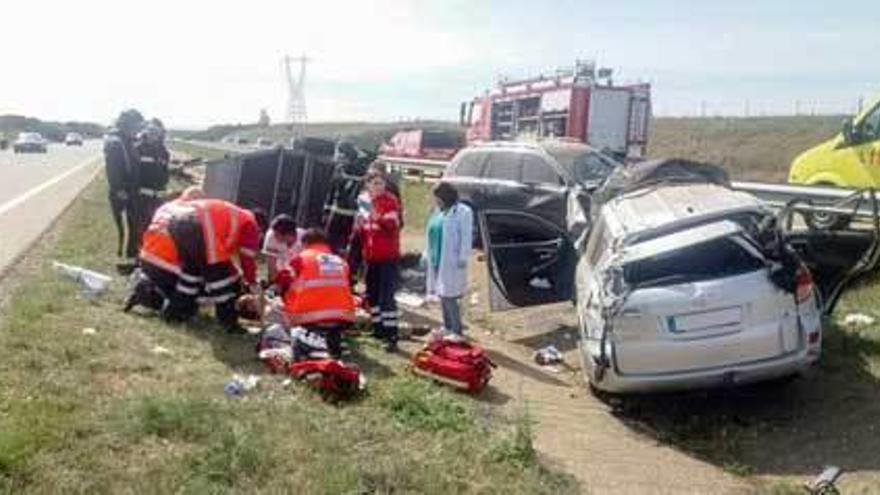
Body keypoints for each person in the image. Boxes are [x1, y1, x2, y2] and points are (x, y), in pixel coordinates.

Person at [282, 228, 356, 358]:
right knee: (331, 342)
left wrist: (288, 313)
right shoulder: (341, 261)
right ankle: (333, 345)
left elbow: (286, 284)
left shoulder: (300, 259)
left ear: (305, 243)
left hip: (310, 317)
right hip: (341, 317)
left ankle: (313, 346)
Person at [357, 169, 402, 352]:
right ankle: (378, 328)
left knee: (386, 296)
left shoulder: (390, 201)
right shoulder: (363, 200)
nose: (378, 187)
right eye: (374, 183)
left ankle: (391, 334)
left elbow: (392, 226)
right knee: (372, 293)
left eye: (381, 183)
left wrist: (379, 218)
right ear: (367, 185)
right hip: (370, 255)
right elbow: (365, 229)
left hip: (388, 256)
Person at [425, 182, 474, 337]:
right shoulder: (438, 211)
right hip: (437, 256)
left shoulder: (463, 211)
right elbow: (431, 231)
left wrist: (462, 256)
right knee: (441, 294)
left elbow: (466, 236)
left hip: (452, 259)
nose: (435, 201)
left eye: (437, 197)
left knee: (450, 296)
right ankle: (447, 326)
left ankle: (456, 330)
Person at [104, 109, 145, 261]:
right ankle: (124, 259)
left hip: (130, 190)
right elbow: (113, 169)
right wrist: (119, 190)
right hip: (122, 192)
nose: (138, 129)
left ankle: (131, 255)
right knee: (126, 228)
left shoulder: (126, 141)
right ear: (127, 125)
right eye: (136, 125)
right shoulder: (116, 142)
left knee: (133, 225)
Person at [132, 119, 171, 253]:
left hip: (158, 199)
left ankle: (152, 256)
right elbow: (133, 174)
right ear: (146, 133)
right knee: (141, 229)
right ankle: (140, 258)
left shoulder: (164, 152)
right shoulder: (138, 149)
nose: (154, 135)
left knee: (157, 228)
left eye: (157, 133)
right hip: (141, 198)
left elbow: (165, 174)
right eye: (151, 132)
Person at [262, 214, 303, 285]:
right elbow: (271, 265)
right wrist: (273, 282)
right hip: (280, 272)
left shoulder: (304, 239)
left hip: (298, 275)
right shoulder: (271, 236)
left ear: (288, 234)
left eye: (277, 234)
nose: (274, 236)